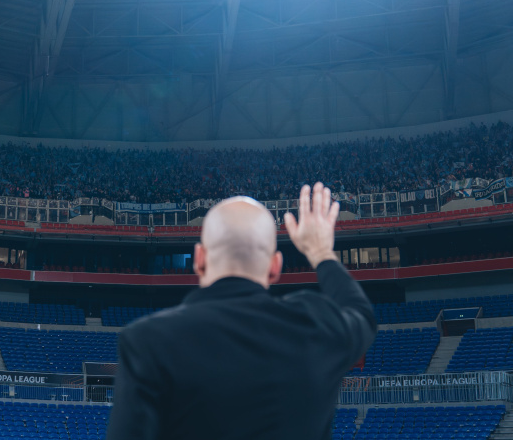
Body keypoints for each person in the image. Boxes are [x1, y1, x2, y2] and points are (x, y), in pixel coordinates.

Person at [106, 183, 376, 440]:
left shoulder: (147, 341)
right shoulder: (314, 325)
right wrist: (320, 252)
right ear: (275, 266)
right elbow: (361, 313)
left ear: (199, 259)